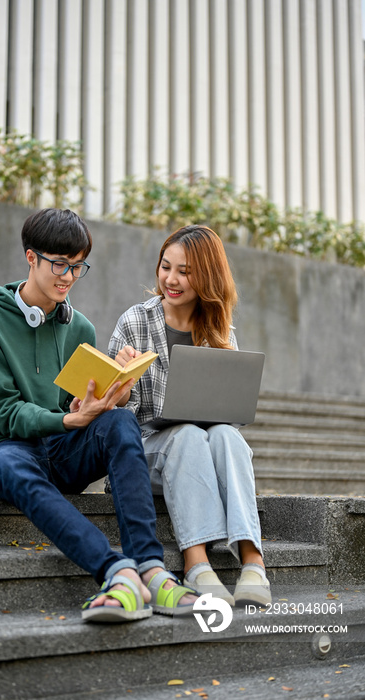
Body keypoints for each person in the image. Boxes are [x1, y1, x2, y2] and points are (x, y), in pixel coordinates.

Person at [0, 208, 198, 624]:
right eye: (59, 264)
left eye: (77, 267)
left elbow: (73, 406)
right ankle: (117, 572)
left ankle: (152, 568)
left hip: (60, 446)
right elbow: (0, 413)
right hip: (4, 450)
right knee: (8, 462)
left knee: (121, 420)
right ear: (31, 257)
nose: (67, 277)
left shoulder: (80, 328)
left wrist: (104, 401)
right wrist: (67, 421)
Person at [108, 224, 271, 607]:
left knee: (226, 436)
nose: (171, 279)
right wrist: (122, 384)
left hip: (200, 452)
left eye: (185, 271)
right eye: (166, 267)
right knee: (185, 435)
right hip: (146, 454)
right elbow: (114, 418)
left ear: (207, 277)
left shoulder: (220, 330)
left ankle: (253, 561)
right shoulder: (135, 322)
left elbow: (228, 416)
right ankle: (196, 563)